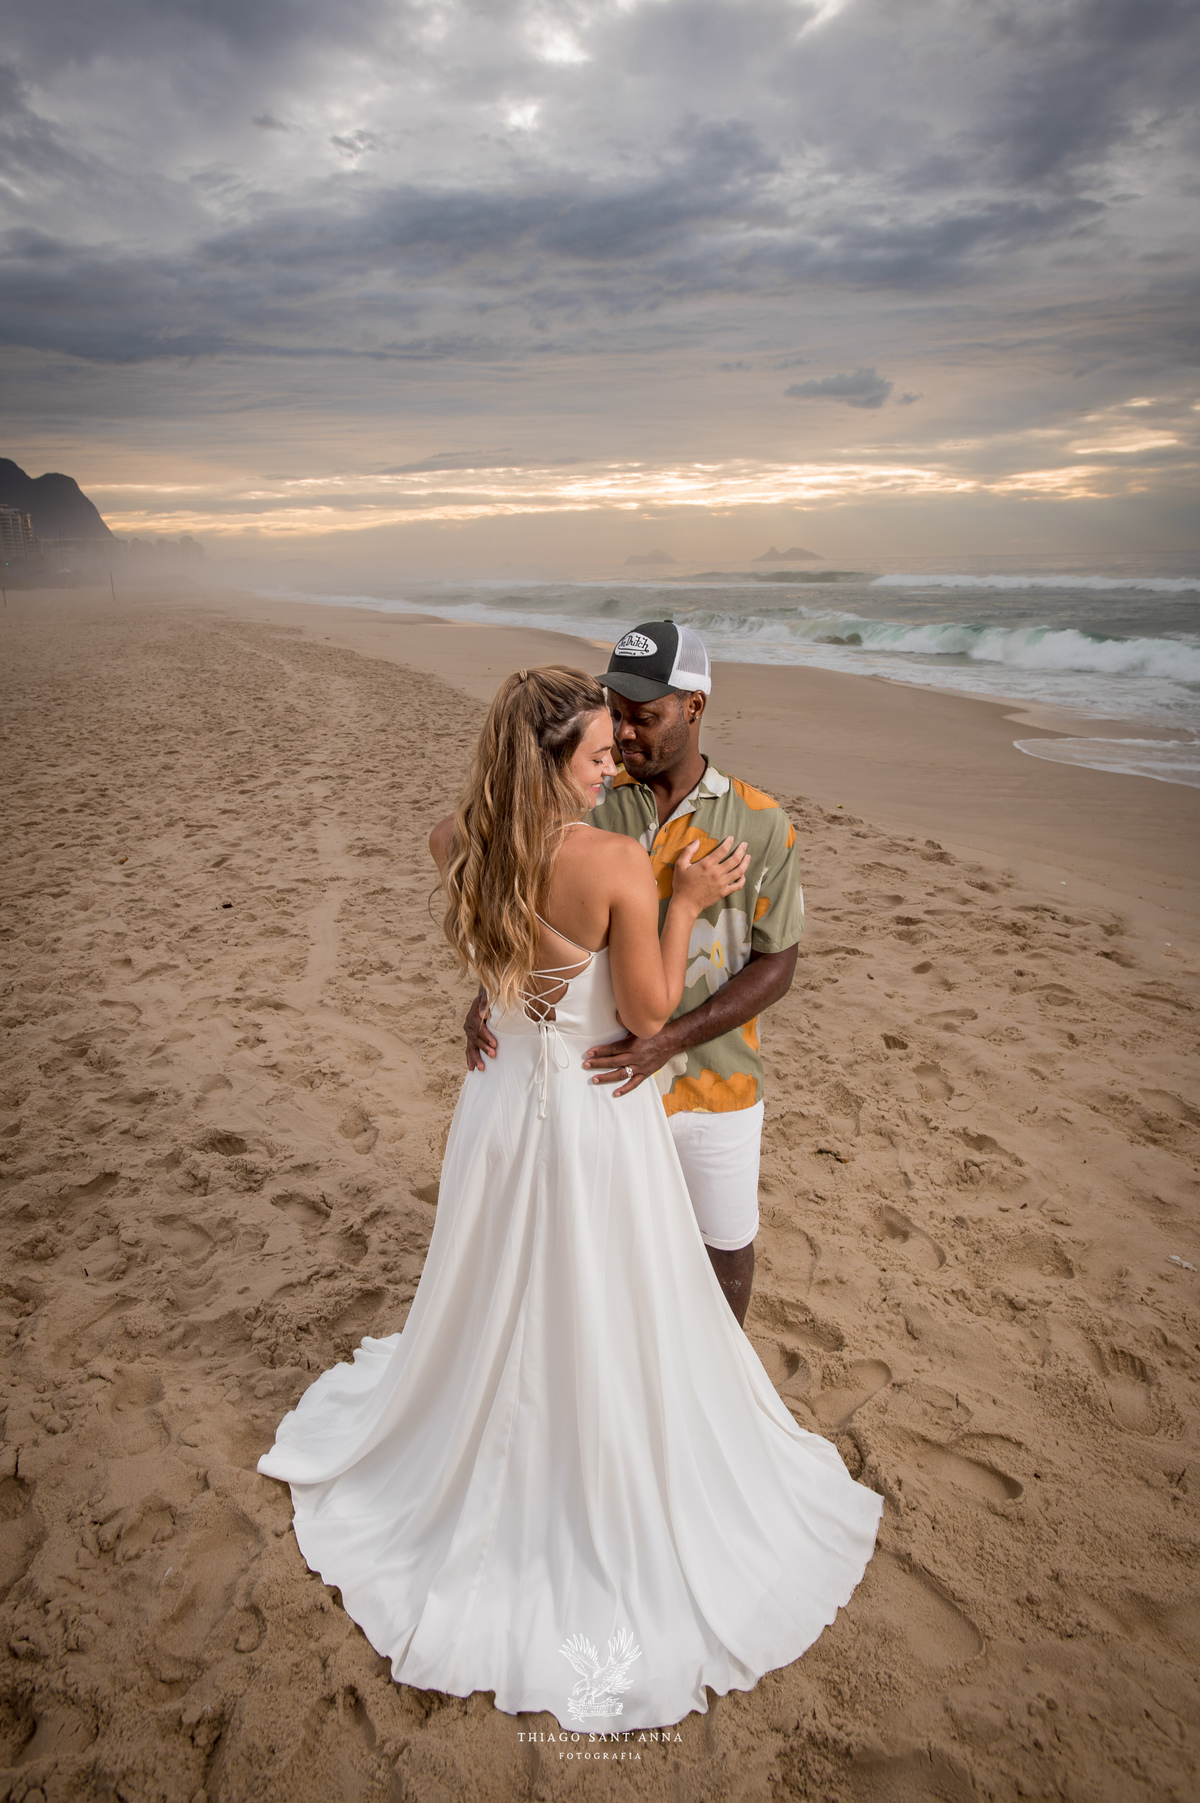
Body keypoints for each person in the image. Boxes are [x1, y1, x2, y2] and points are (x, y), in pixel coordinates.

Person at [257, 665, 881, 1732]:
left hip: (501, 1105)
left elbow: (501, 954)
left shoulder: (461, 836)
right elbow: (644, 1016)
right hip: (594, 1114)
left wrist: (489, 994)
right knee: (600, 1281)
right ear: (549, 757)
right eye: (595, 754)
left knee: (504, 1274)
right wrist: (684, 903)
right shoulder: (614, 862)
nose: (611, 768)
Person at [465, 622, 800, 1328]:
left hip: (716, 1081)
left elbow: (779, 960)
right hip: (606, 1089)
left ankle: (719, 1391)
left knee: (723, 1251)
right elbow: (527, 908)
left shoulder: (761, 822)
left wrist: (670, 1039)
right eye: (614, 714)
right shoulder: (586, 796)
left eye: (642, 717)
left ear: (695, 708)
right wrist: (493, 996)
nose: (621, 736)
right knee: (607, 1262)